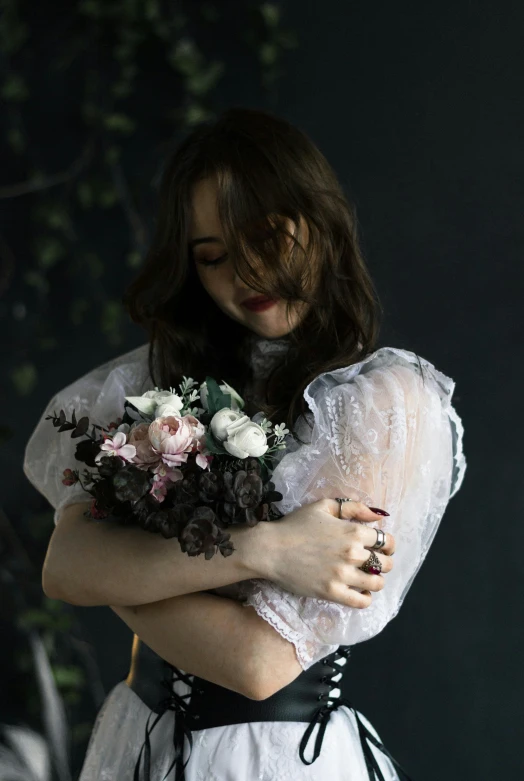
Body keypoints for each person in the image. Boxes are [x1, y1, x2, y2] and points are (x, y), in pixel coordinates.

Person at [23, 107, 466, 781]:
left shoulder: (385, 404)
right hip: (137, 739)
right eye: (212, 256)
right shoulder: (156, 385)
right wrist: (270, 548)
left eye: (268, 235)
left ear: (321, 222)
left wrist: (118, 571)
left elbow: (259, 663)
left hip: (267, 759)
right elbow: (63, 566)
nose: (246, 271)